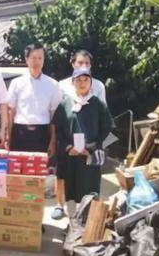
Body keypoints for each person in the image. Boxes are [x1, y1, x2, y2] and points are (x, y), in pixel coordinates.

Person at [52, 49, 107, 220]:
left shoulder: (98, 98)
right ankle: (65, 213)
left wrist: (90, 148)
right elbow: (58, 125)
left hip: (89, 150)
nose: (82, 83)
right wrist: (68, 146)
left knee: (88, 183)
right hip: (69, 149)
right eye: (78, 80)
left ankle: (86, 221)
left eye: (85, 79)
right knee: (66, 179)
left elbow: (105, 126)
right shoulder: (64, 93)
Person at [7, 43, 62, 153]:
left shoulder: (53, 84)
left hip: (42, 133)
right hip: (20, 132)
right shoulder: (16, 83)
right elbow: (10, 112)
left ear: (43, 60)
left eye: (40, 58)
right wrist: (8, 136)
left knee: (41, 169)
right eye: (33, 58)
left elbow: (53, 115)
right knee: (18, 169)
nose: (36, 61)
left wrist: (53, 141)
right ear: (26, 59)